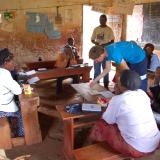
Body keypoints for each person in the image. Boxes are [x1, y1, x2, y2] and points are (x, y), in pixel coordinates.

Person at [90, 70, 160, 158]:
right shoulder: (143, 94)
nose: (117, 83)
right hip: (155, 143)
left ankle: (93, 150)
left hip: (138, 149)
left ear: (121, 85)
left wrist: (116, 96)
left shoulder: (119, 99)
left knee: (100, 125)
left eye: (118, 82)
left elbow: (107, 120)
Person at [0, 48, 24, 137]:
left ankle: (10, 127)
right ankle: (22, 135)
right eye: (12, 61)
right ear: (6, 62)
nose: (13, 63)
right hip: (2, 108)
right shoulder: (4, 73)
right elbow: (18, 91)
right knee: (23, 114)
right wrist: (18, 87)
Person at [91, 14, 114, 89]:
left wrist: (105, 45)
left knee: (106, 69)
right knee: (97, 69)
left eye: (103, 20)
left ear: (106, 20)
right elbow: (92, 39)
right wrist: (96, 43)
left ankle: (106, 85)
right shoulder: (96, 29)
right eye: (100, 20)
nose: (101, 21)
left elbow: (112, 41)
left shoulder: (109, 30)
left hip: (106, 52)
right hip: (97, 52)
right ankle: (96, 85)